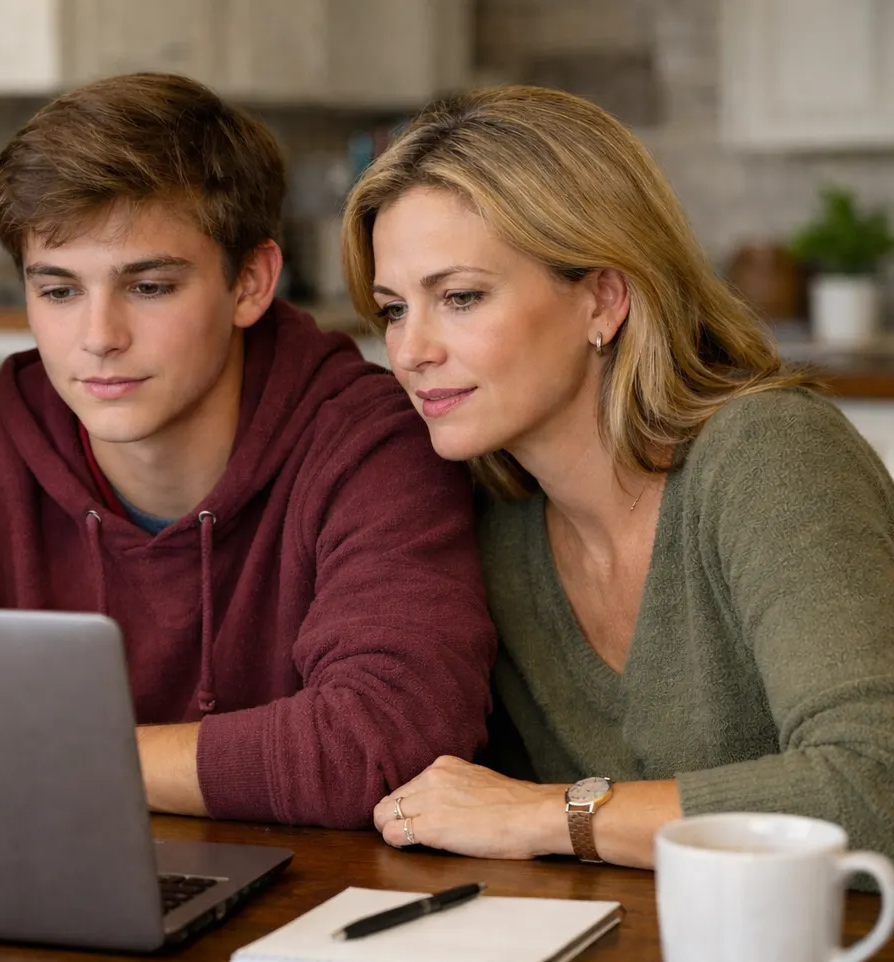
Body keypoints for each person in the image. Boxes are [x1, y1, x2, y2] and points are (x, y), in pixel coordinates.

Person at [0, 73, 496, 829]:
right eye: (59, 291)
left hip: (316, 918)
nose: (99, 337)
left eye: (150, 286)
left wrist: (48, 757)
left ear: (252, 282)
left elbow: (390, 741)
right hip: (39, 895)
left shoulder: (368, 446)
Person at [343, 85, 894, 866]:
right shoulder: (483, 512)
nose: (409, 351)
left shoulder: (770, 455)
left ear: (603, 299)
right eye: (394, 309)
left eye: (460, 297)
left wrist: (548, 817)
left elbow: (877, 785)